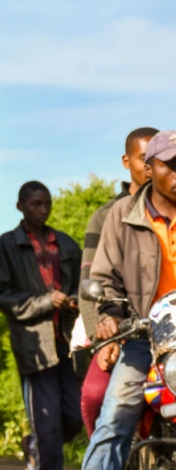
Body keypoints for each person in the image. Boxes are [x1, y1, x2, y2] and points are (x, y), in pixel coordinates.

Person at [83, 130, 176, 469]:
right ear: (149, 168)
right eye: (171, 165)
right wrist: (109, 313)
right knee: (115, 416)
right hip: (143, 336)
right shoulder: (122, 215)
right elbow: (104, 278)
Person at [0, 181, 82, 470]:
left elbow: (85, 284)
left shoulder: (66, 243)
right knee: (47, 426)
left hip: (70, 346)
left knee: (75, 417)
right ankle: (40, 450)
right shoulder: (5, 246)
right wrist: (46, 301)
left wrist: (76, 302)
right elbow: (3, 297)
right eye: (35, 204)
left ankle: (32, 445)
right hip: (35, 348)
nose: (43, 209)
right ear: (20, 206)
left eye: (47, 203)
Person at [78, 127, 156, 436]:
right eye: (144, 159)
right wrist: (103, 337)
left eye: (160, 160)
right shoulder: (107, 214)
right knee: (95, 396)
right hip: (123, 332)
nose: (151, 168)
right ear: (127, 161)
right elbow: (91, 282)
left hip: (168, 335)